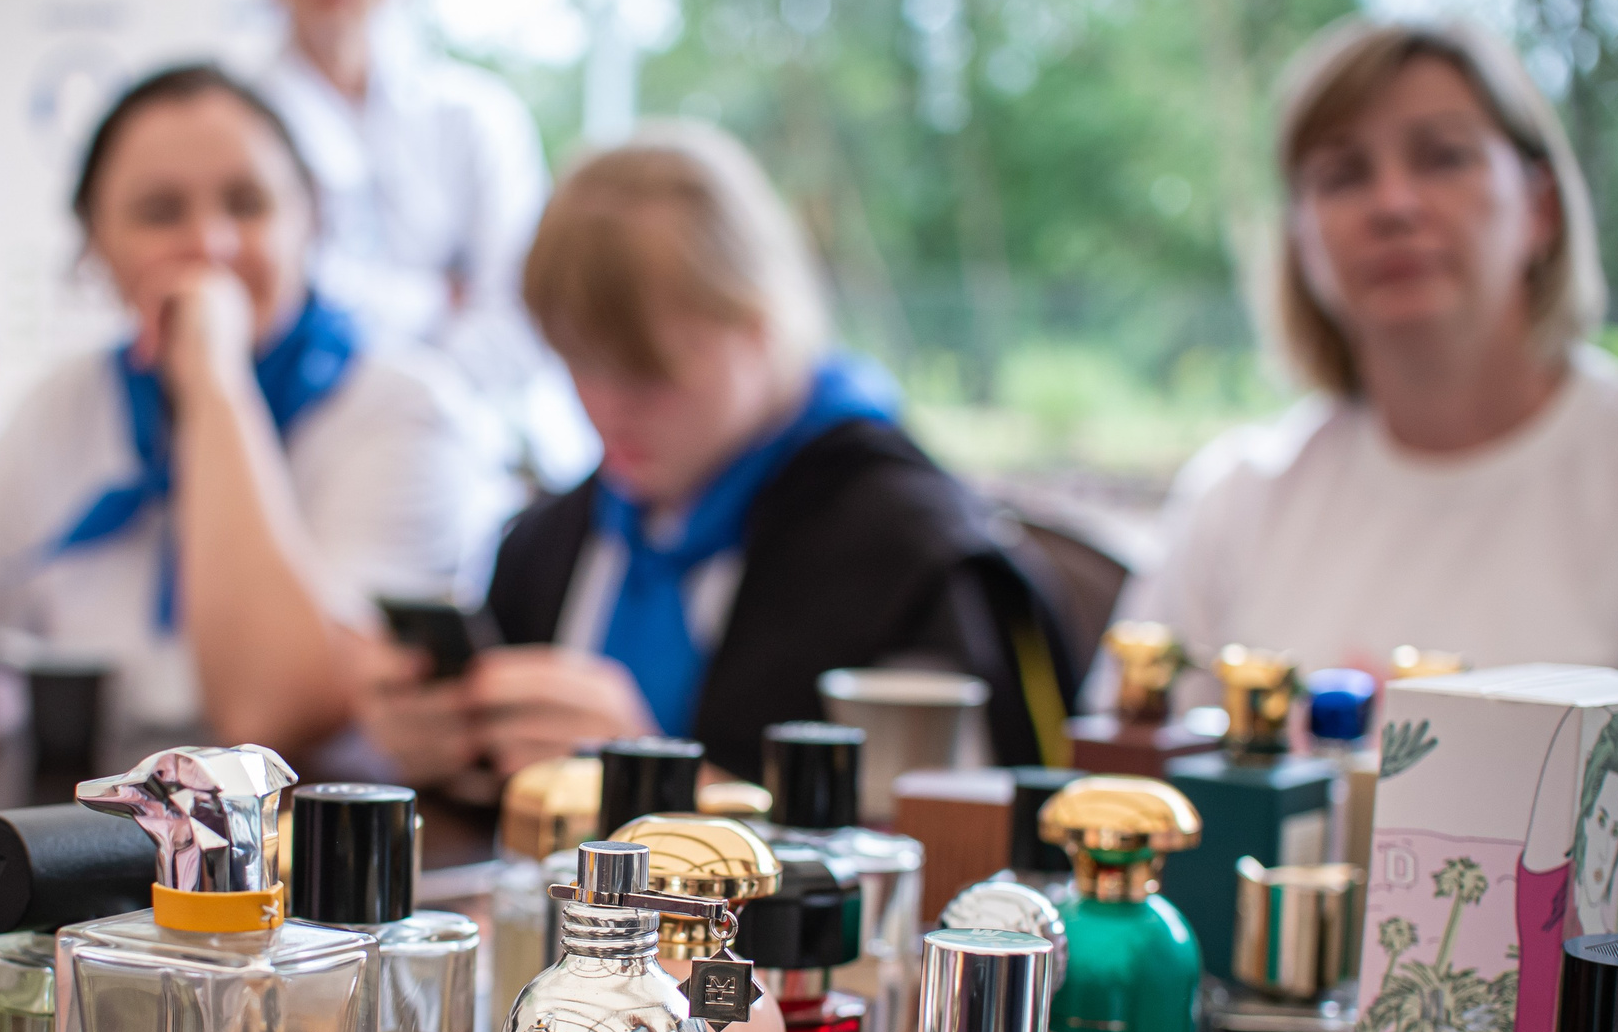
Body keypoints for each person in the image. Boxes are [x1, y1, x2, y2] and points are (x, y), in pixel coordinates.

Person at [356, 121, 1082, 786]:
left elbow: (968, 869)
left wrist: (661, 786)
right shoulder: (551, 542)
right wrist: (449, 752)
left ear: (760, 322)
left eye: (647, 371)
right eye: (579, 363)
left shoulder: (916, 561)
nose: (605, 408)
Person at [0, 63, 495, 770]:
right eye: (160, 212)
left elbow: (268, 713)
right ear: (95, 247)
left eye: (248, 202)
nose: (211, 245)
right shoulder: (66, 404)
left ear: (311, 221)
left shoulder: (405, 411)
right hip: (110, 843)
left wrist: (212, 381)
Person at [1108, 18, 1618, 689]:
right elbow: (1118, 775)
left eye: (1444, 156)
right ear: (1300, 236)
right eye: (1342, 175)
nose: (1393, 205)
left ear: (1540, 206)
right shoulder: (1233, 498)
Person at [254, 0, 595, 488]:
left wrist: (395, 369)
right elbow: (283, 314)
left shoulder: (480, 117)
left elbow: (521, 310)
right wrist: (436, 297)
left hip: (501, 457)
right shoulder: (239, 132)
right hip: (303, 462)